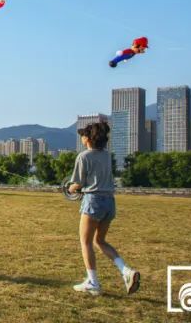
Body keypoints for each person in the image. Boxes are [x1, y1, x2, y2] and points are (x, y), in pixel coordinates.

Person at [68, 121, 140, 297]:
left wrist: (70, 188)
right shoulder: (107, 156)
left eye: (83, 135)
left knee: (86, 242)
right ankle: (126, 271)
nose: (82, 138)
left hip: (93, 201)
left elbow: (78, 183)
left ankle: (93, 282)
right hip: (109, 202)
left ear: (88, 138)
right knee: (100, 241)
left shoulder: (83, 157)